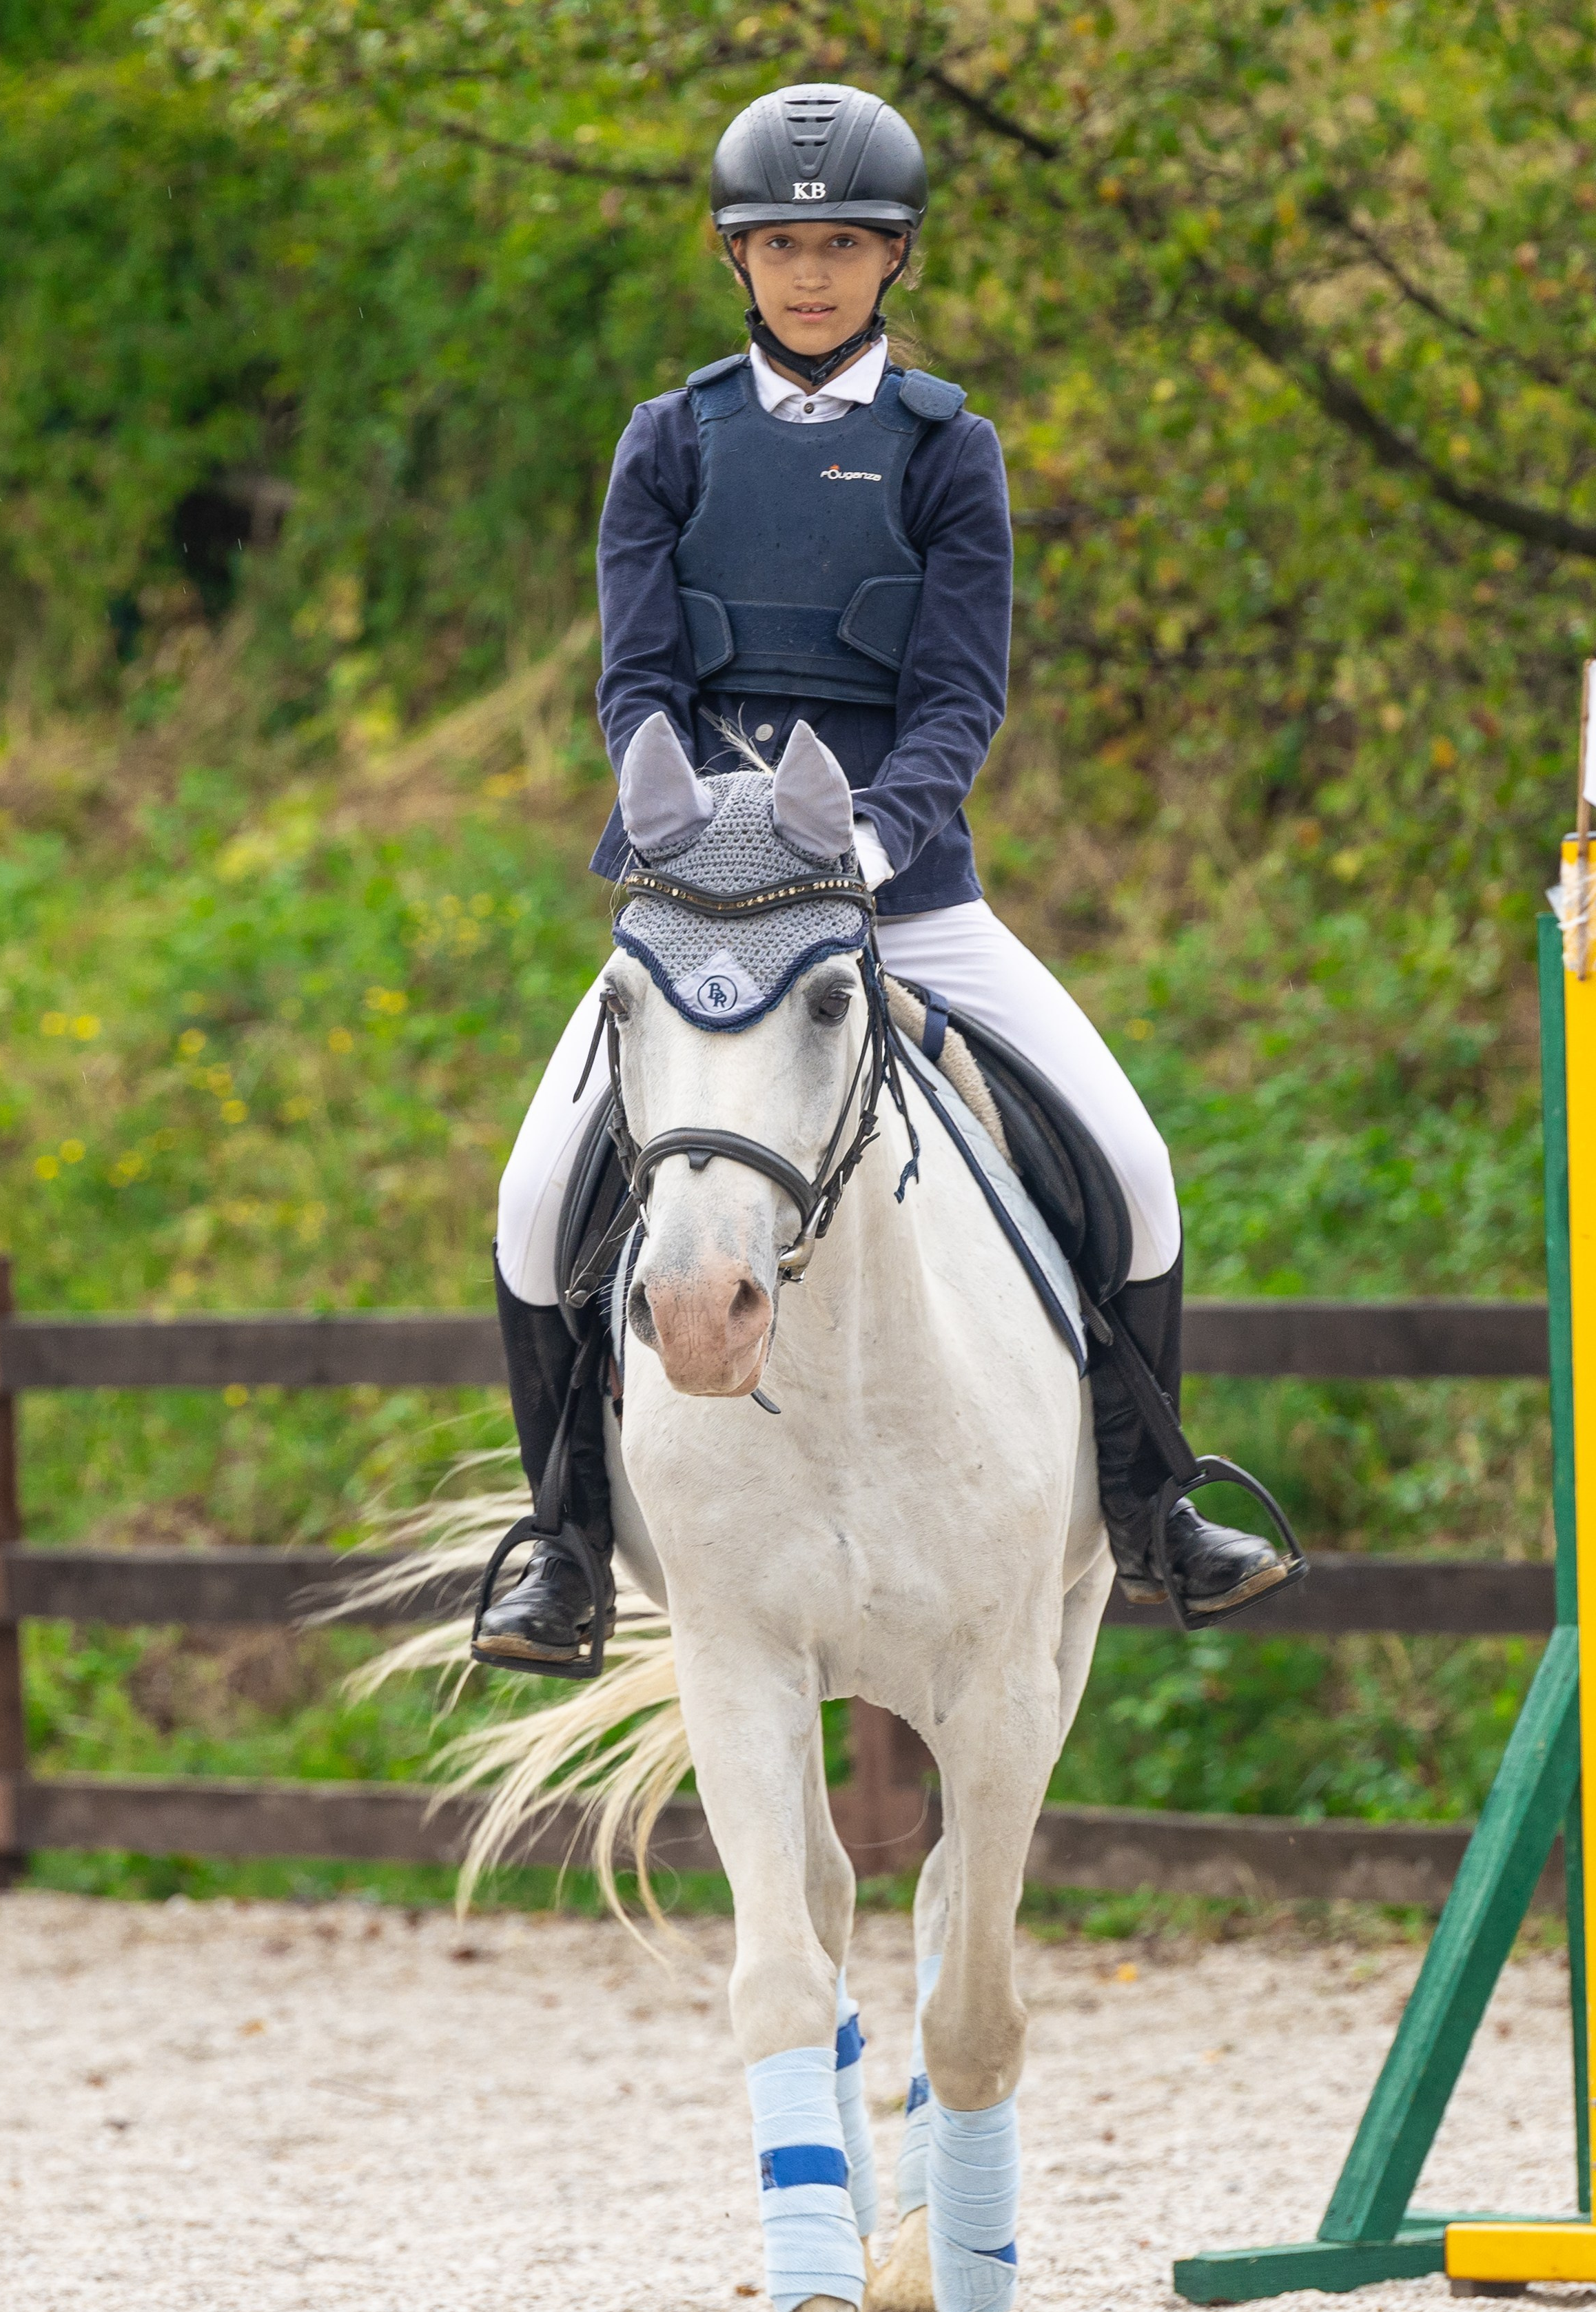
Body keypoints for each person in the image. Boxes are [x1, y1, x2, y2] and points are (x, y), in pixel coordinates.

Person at [478, 82, 1286, 1667]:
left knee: (1133, 1165)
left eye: (842, 245)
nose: (810, 273)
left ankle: (1153, 1503)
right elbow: (636, 678)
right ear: (734, 255)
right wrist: (671, 806)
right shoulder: (666, 442)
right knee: (528, 1202)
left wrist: (860, 840)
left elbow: (958, 697)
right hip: (706, 920)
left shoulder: (945, 449)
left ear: (893, 257)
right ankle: (562, 1546)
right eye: (781, 246)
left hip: (904, 898)